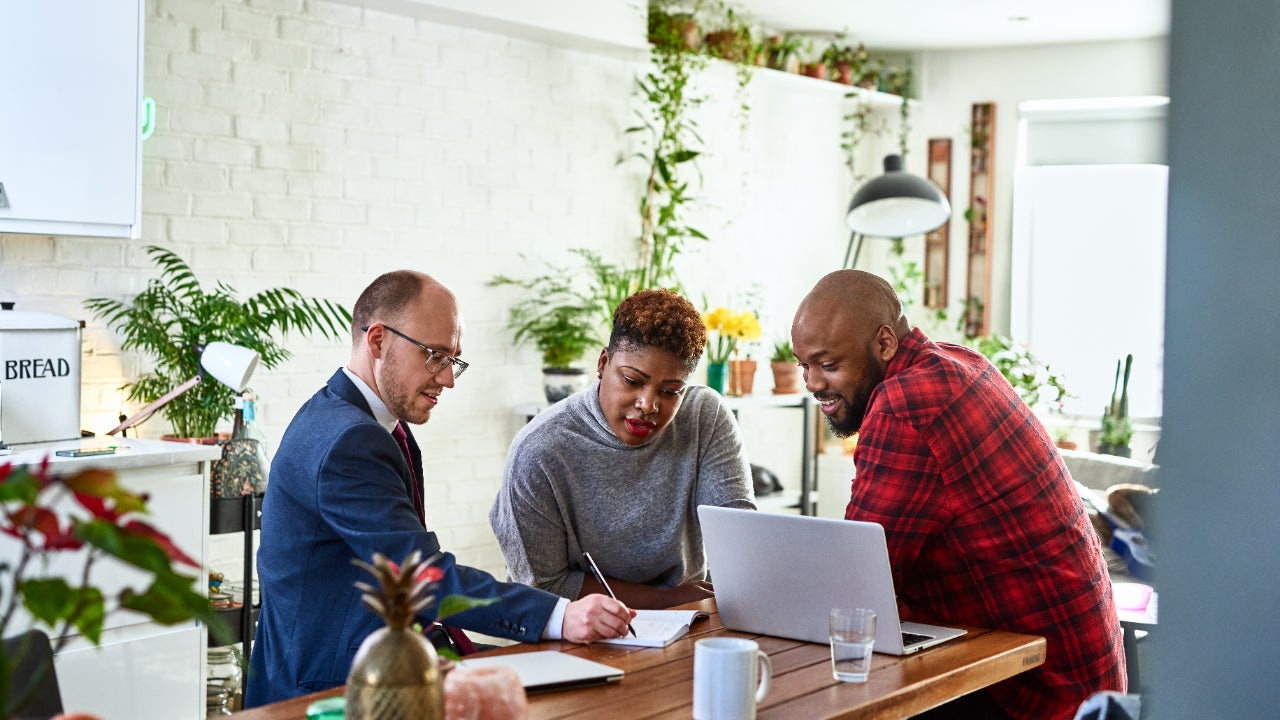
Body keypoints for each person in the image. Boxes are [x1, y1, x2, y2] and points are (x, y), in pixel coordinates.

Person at [245, 271, 634, 707]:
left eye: (454, 359)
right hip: (331, 692)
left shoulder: (362, 420)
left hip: (378, 664)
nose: (448, 379)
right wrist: (561, 614)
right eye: (434, 356)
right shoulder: (349, 441)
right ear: (377, 342)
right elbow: (423, 577)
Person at [791, 270, 1125, 720]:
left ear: (885, 343)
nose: (812, 383)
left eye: (829, 365)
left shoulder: (905, 403)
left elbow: (857, 582)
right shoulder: (960, 361)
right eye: (803, 365)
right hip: (1087, 679)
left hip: (1036, 692)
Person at [490, 288, 755, 609]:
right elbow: (542, 586)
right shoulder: (539, 449)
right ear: (603, 363)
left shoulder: (704, 416)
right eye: (631, 380)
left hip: (687, 620)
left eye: (670, 391)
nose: (648, 405)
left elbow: (738, 539)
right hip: (578, 631)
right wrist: (667, 599)